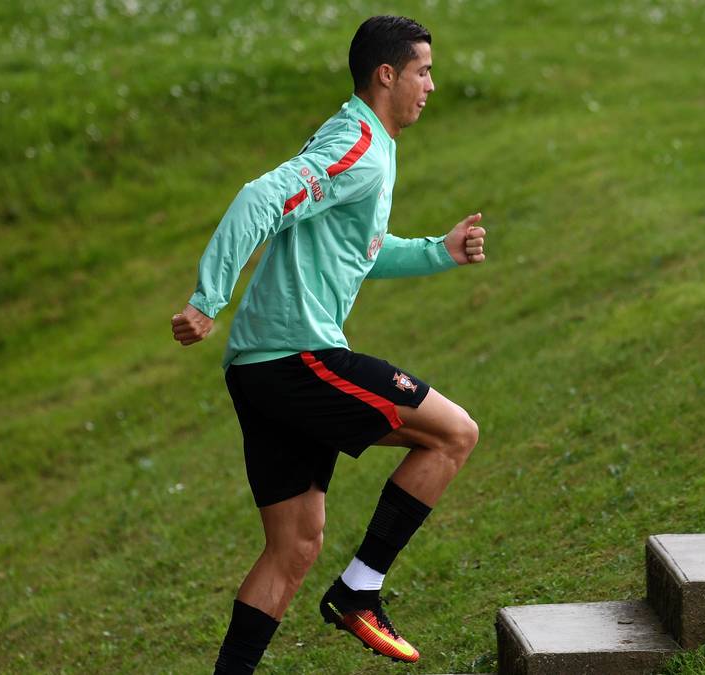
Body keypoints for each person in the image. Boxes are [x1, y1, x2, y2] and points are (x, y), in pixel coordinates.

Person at [171, 15, 485, 673]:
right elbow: (261, 197)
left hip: (260, 366)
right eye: (424, 70)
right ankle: (358, 589)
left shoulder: (366, 143)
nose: (431, 84)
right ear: (386, 74)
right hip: (295, 355)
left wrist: (439, 252)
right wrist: (208, 299)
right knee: (453, 433)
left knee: (293, 547)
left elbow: (356, 250)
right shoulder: (357, 144)